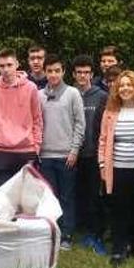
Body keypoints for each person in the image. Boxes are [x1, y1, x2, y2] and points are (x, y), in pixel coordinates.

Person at [97, 70, 134, 267]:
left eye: (129, 85)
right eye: (121, 85)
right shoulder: (110, 112)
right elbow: (103, 140)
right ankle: (118, 249)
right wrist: (103, 165)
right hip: (118, 168)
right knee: (119, 210)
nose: (125, 88)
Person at [39, 54, 85, 250]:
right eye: (50, 71)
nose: (53, 74)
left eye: (57, 70)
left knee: (67, 196)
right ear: (45, 72)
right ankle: (52, 230)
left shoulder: (72, 93)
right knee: (50, 196)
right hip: (45, 156)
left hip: (67, 155)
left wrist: (74, 150)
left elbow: (80, 124)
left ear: (64, 72)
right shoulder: (39, 95)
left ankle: (66, 233)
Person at [0, 48, 43, 187]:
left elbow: (37, 120)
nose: (6, 69)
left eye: (9, 65)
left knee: (26, 200)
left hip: (26, 150)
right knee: (3, 200)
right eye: (2, 66)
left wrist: (36, 147)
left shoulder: (31, 88)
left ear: (17, 64)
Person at [72, 54, 108, 255]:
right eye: (79, 72)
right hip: (74, 154)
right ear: (74, 74)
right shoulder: (68, 93)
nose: (83, 76)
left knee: (95, 196)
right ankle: (80, 229)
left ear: (92, 74)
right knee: (78, 194)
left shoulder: (101, 96)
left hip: (94, 153)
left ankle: (96, 233)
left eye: (87, 72)